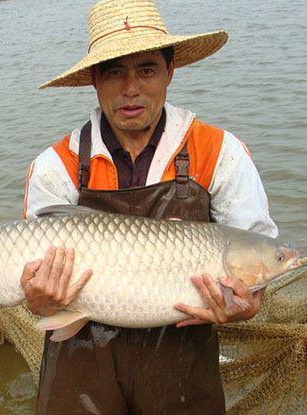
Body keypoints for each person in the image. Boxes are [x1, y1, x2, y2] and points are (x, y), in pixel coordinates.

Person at [19, 0, 278, 414]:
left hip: (183, 367)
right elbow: (37, 296)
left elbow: (255, 271)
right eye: (114, 71)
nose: (130, 89)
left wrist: (247, 304)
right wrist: (38, 298)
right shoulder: (56, 167)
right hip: (81, 362)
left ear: (170, 71)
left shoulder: (220, 152)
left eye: (147, 69)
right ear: (94, 80)